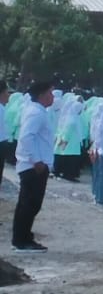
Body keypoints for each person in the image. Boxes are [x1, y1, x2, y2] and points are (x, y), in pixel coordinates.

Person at [11, 82, 54, 252]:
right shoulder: (36, 113)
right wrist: (36, 160)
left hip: (34, 165)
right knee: (30, 203)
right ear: (42, 95)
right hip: (33, 166)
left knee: (29, 203)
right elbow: (26, 138)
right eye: (50, 93)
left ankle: (24, 237)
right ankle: (21, 240)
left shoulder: (39, 112)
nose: (53, 97)